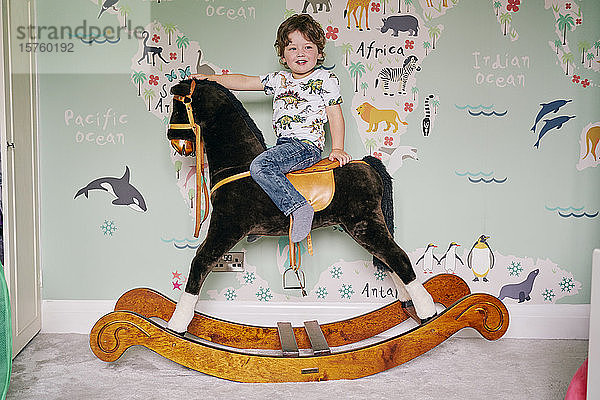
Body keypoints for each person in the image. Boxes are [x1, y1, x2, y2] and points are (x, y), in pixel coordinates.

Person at [190, 13, 351, 243]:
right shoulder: (278, 80)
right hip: (284, 145)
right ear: (283, 56)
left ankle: (299, 208)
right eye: (292, 48)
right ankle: (265, 218)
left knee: (261, 166)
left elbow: (334, 113)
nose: (300, 53)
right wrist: (211, 79)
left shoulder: (325, 79)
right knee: (252, 170)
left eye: (307, 46)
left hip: (306, 146)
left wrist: (337, 148)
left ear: (319, 52)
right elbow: (245, 82)